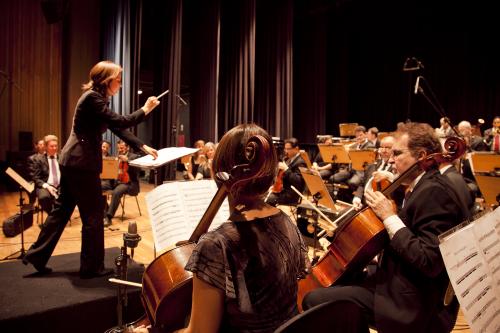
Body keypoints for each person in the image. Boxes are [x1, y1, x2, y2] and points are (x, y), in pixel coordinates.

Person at [302, 122, 469, 333]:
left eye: (397, 153)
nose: (390, 159)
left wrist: (389, 216)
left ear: (421, 155)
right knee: (345, 281)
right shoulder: (424, 185)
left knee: (314, 300)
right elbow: (414, 227)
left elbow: (428, 261)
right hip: (398, 279)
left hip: (409, 301)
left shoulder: (435, 193)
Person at [22, 60, 160, 278]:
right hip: (81, 164)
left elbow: (117, 127)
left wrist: (142, 146)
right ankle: (91, 267)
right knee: (93, 215)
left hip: (73, 162)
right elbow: (122, 121)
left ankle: (37, 256)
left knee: (61, 210)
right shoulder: (93, 99)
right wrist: (145, 109)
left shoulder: (97, 99)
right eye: (118, 80)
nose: (120, 84)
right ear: (107, 80)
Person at [102, 140, 141, 227]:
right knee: (98, 186)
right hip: (116, 181)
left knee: (116, 192)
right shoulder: (117, 156)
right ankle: (106, 209)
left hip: (129, 183)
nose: (120, 150)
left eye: (122, 148)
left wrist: (128, 160)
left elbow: (138, 167)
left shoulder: (133, 157)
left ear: (127, 148)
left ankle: (108, 217)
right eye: (118, 148)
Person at [352, 135, 395, 209]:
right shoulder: (372, 164)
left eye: (388, 148)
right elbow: (362, 184)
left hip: (380, 208)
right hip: (363, 205)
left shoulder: (396, 167)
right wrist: (357, 198)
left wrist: (389, 176)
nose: (384, 150)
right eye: (381, 147)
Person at [266, 137, 307, 206]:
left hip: (291, 194)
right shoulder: (289, 159)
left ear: (296, 149)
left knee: (268, 199)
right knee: (263, 195)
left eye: (288, 149)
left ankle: (272, 216)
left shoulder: (301, 162)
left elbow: (298, 182)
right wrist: (274, 186)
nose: (285, 151)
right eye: (285, 148)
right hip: (282, 190)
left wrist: (286, 169)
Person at [29, 134, 60, 214]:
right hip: (45, 185)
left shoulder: (62, 158)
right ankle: (53, 216)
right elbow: (35, 177)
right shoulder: (38, 160)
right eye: (51, 146)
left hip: (60, 185)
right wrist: (47, 186)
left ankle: (58, 217)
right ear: (45, 147)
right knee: (44, 197)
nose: (54, 148)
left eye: (56, 146)